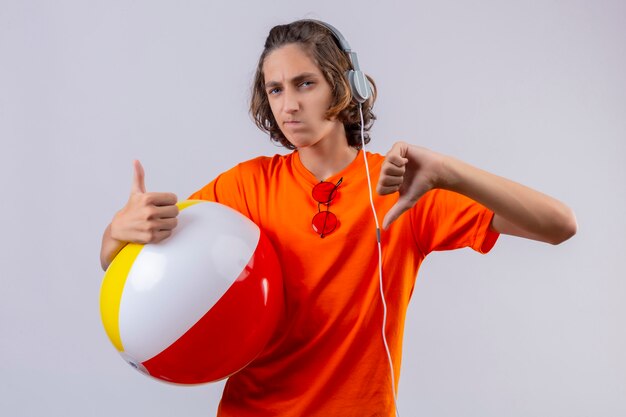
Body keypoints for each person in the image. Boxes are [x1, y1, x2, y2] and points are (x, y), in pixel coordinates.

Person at [100, 20, 577, 417]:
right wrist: (116, 232)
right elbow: (130, 267)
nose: (288, 105)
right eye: (275, 89)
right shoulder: (245, 187)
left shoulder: (404, 188)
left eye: (304, 83)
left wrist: (449, 173)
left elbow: (559, 225)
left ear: (346, 86)